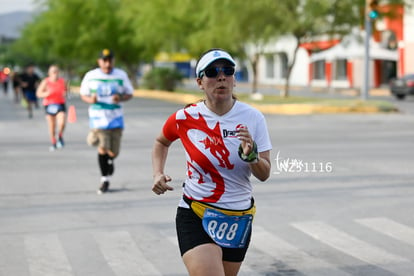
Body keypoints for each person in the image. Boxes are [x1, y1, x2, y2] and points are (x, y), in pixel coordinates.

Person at [151, 48, 272, 276]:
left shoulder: (253, 118)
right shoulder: (185, 118)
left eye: (228, 70)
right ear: (200, 81)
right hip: (195, 212)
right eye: (212, 72)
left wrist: (252, 157)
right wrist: (157, 173)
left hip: (238, 218)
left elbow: (264, 174)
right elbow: (161, 142)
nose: (221, 76)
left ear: (234, 79)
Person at [80, 49, 133, 194]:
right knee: (102, 147)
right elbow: (83, 94)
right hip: (99, 118)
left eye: (110, 60)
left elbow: (129, 93)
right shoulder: (91, 76)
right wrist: (91, 100)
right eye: (104, 60)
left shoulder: (121, 75)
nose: (107, 63)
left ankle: (110, 161)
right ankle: (104, 180)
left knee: (113, 152)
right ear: (99, 61)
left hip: (116, 118)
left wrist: (120, 98)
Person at [36, 65, 67, 151]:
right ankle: (53, 142)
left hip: (60, 104)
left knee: (62, 121)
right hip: (49, 105)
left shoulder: (62, 81)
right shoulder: (45, 82)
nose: (55, 74)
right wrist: (46, 94)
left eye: (57, 71)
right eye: (53, 72)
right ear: (49, 73)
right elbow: (38, 93)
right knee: (52, 126)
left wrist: (65, 93)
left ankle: (60, 135)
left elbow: (65, 91)